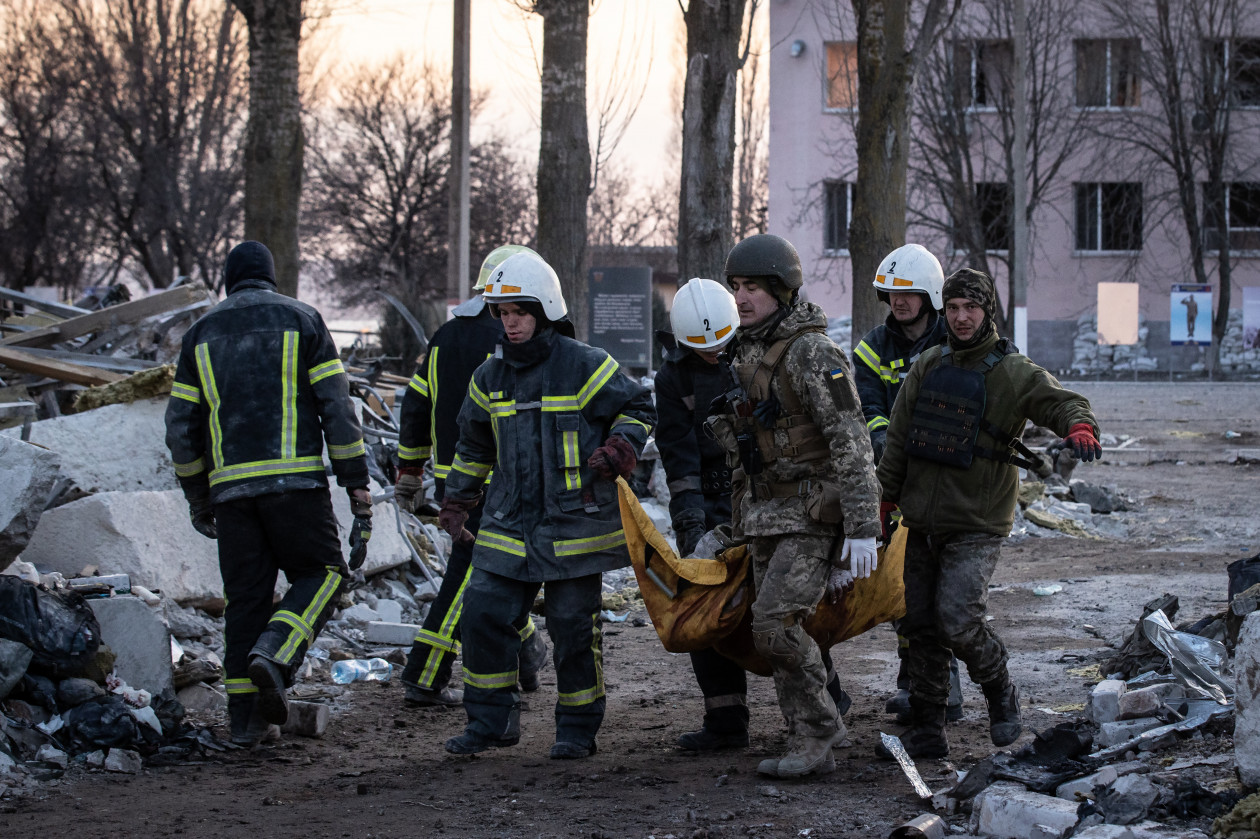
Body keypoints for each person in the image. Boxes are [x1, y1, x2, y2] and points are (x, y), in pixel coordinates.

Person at [876, 268, 1101, 759]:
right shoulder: (928, 364)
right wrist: (884, 498)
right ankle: (928, 729)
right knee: (920, 625)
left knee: (957, 619)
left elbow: (1063, 402)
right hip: (920, 520)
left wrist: (1080, 426)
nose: (960, 317)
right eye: (953, 307)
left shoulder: (1013, 371)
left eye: (970, 308)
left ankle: (1000, 690)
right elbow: (898, 437)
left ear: (987, 312)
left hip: (977, 521)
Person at [438, 251, 655, 759]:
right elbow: (472, 447)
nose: (510, 324)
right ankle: (491, 723)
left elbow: (637, 405)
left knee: (573, 628)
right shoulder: (487, 379)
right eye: (502, 314)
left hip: (573, 528)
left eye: (520, 312)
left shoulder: (585, 365)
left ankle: (577, 729)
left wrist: (622, 444)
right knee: (482, 613)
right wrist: (457, 501)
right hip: (508, 524)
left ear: (545, 310)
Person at [165, 241, 372, 746]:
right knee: (324, 574)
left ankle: (246, 724)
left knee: (246, 601)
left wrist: (198, 494)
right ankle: (276, 654)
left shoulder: (199, 335)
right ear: (272, 278)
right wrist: (356, 484)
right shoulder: (304, 321)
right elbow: (338, 411)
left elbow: (180, 429)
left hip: (231, 494)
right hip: (296, 485)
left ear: (228, 280)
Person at [706, 234, 881, 779]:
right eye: (736, 286)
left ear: (781, 289)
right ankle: (806, 733)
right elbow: (747, 452)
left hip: (810, 517)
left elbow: (851, 441)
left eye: (752, 286)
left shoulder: (813, 353)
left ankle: (818, 730)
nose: (740, 297)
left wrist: (862, 528)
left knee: (775, 628)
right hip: (765, 516)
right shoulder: (747, 350)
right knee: (771, 630)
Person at [657, 278, 853, 751]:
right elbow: (679, 461)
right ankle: (725, 720)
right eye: (702, 350)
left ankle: (829, 701)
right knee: (704, 609)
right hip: (710, 504)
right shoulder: (673, 380)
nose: (713, 355)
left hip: (769, 497)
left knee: (783, 606)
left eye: (719, 346)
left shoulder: (760, 355)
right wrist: (691, 531)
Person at [394, 244, 548, 708]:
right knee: (469, 580)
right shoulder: (514, 338)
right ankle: (425, 674)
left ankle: (527, 654)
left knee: (505, 572)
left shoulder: (443, 337)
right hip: (498, 482)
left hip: (453, 481)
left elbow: (416, 405)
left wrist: (410, 468)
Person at [852, 245, 963, 725]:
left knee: (948, 593)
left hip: (951, 486)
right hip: (898, 483)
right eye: (891, 293)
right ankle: (915, 683)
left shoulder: (955, 343)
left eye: (908, 293)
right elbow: (868, 408)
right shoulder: (873, 348)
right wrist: (890, 447)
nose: (898, 301)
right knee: (905, 587)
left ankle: (944, 687)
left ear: (930, 295)